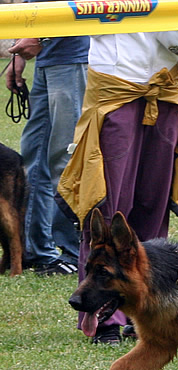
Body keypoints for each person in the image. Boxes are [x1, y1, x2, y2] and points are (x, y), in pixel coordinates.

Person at [56, 30, 178, 343]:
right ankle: (102, 316)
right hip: (115, 90)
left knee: (153, 204)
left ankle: (144, 310)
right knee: (106, 208)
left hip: (166, 89)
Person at [5, 31, 89, 275]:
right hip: (46, 58)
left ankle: (74, 253)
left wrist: (39, 40)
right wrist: (19, 55)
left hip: (72, 56)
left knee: (66, 158)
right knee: (33, 157)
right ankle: (35, 250)